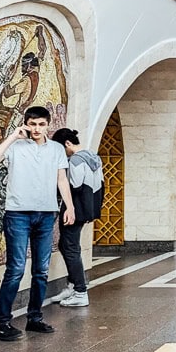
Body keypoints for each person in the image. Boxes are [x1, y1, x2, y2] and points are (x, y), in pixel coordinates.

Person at [0, 105, 75, 341]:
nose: (36, 129)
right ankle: (1, 323)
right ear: (26, 123)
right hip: (18, 214)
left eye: (41, 124)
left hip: (46, 214)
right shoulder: (15, 146)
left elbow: (61, 179)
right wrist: (13, 136)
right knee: (15, 269)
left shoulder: (56, 149)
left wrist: (70, 206)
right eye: (32, 124)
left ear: (48, 125)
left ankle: (35, 318)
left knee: (41, 271)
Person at [49, 128, 105, 308]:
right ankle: (73, 285)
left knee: (70, 247)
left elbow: (75, 185)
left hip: (74, 209)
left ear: (67, 144)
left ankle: (80, 291)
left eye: (60, 149)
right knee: (66, 245)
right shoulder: (94, 157)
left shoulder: (75, 160)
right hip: (88, 208)